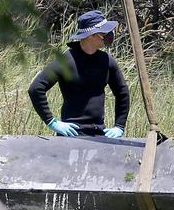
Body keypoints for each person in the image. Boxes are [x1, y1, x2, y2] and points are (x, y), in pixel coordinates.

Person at [28, 10, 130, 138]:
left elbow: (122, 92)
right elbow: (36, 88)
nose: (110, 35)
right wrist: (52, 122)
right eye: (104, 32)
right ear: (90, 35)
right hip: (71, 134)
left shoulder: (107, 61)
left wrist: (119, 126)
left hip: (99, 134)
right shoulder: (65, 61)